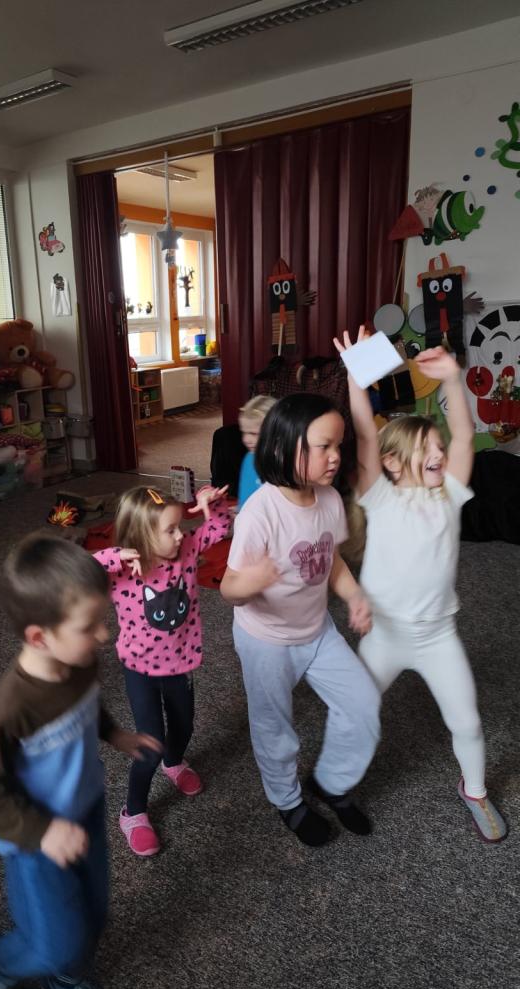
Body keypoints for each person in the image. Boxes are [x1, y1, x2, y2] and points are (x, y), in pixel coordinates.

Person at [0, 534, 159, 989]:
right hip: (34, 838)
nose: (105, 636)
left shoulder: (79, 661)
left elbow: (88, 705)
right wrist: (44, 831)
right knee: (53, 943)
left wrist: (115, 734)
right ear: (39, 637)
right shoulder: (11, 710)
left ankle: (65, 977)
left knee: (94, 911)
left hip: (85, 809)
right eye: (89, 626)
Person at [335, 327, 507, 843]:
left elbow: (463, 434)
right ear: (391, 462)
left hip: (437, 636)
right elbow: (366, 435)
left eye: (438, 446)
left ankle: (475, 791)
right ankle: (338, 784)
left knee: (467, 723)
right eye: (425, 447)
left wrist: (453, 379)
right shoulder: (380, 495)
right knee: (356, 715)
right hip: (385, 635)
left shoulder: (449, 493)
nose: (438, 453)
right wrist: (355, 376)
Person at [220, 393, 380, 847]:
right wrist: (251, 582)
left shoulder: (329, 500)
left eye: (339, 445)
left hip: (317, 630)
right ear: (283, 447)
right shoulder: (260, 512)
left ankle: (331, 782)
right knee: (274, 728)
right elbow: (228, 588)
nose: (336, 456)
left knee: (362, 703)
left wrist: (353, 595)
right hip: (266, 639)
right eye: (323, 446)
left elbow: (332, 561)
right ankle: (287, 800)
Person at [93, 484, 231, 856]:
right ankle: (133, 812)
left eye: (179, 526)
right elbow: (76, 570)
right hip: (139, 670)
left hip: (180, 663)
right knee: (150, 745)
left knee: (184, 727)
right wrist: (115, 555)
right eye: (169, 530)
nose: (180, 534)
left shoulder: (187, 549)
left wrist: (212, 502)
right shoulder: (122, 570)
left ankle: (175, 762)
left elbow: (219, 528)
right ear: (140, 537)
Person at [237, 395, 277, 508]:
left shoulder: (289, 463)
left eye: (254, 434)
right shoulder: (249, 459)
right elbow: (245, 498)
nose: (246, 440)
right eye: (244, 432)